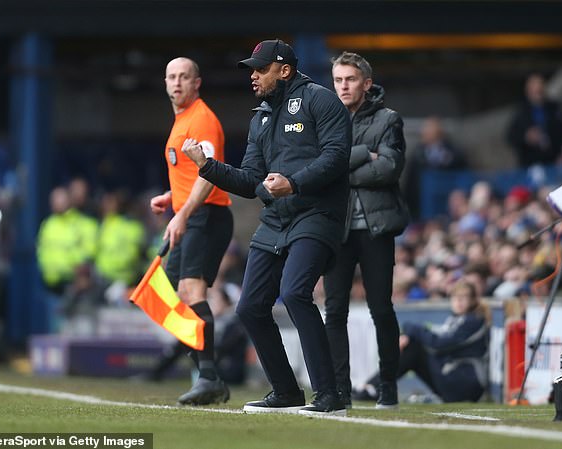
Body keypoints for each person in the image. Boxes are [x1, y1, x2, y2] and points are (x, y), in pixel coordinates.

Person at [183, 39, 351, 416]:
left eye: (260, 69)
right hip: (276, 219)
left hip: (317, 214)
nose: (253, 77)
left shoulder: (319, 100)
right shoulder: (260, 117)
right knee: (250, 307)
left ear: (285, 70)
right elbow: (250, 179)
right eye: (252, 71)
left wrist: (294, 182)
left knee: (294, 294)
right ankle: (286, 392)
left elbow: (337, 157)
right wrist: (207, 167)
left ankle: (330, 395)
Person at [324, 51, 409, 410]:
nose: (344, 86)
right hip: (336, 230)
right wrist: (365, 154)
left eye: (351, 79)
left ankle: (388, 384)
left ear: (366, 83)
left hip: (376, 229)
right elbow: (322, 171)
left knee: (381, 309)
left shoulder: (389, 119)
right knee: (335, 310)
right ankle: (339, 390)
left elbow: (390, 169)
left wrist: (342, 165)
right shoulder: (325, 119)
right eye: (339, 80)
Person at [149, 57, 233, 405]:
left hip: (207, 215)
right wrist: (173, 197)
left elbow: (208, 173)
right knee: (172, 293)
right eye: (172, 76)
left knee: (190, 289)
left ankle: (208, 376)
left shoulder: (201, 119)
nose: (177, 82)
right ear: (166, 82)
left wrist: (182, 212)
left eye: (185, 76)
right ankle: (207, 372)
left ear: (197, 83)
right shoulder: (181, 120)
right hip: (191, 212)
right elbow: (188, 172)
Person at [354, 280, 490, 403]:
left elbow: (438, 345)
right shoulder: (456, 320)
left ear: (472, 301)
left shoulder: (473, 321)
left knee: (414, 348)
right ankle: (373, 386)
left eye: (464, 297)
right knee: (413, 346)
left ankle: (373, 387)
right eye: (455, 297)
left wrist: (411, 329)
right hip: (454, 380)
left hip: (466, 384)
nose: (459, 301)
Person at [506, 73, 562, 168]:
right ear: (528, 92)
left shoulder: (555, 108)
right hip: (533, 163)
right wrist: (526, 136)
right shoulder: (521, 112)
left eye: (540, 89)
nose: (538, 92)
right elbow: (510, 136)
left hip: (558, 159)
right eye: (534, 90)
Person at [404, 117, 466, 219]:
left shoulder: (452, 151)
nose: (426, 133)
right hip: (422, 203)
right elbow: (411, 181)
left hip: (448, 195)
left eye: (430, 130)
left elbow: (462, 169)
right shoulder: (418, 154)